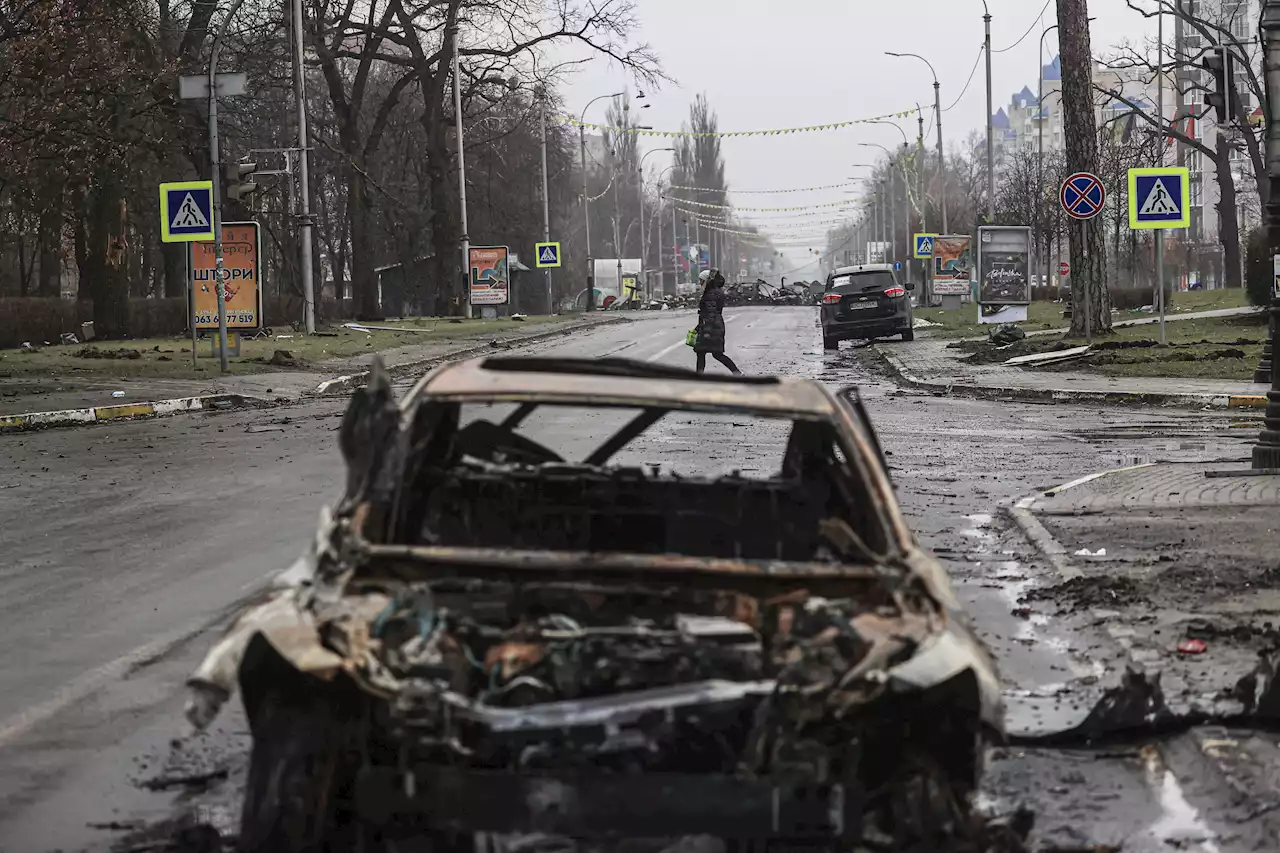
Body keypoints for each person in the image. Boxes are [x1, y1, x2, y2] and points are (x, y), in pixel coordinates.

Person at [693, 268, 742, 374]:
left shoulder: (711, 294)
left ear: (707, 281)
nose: (700, 283)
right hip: (713, 326)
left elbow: (711, 313)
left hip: (713, 327)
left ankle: (737, 372)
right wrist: (698, 328)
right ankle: (736, 372)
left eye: (701, 281)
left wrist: (706, 331)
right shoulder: (712, 292)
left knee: (715, 353)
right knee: (702, 352)